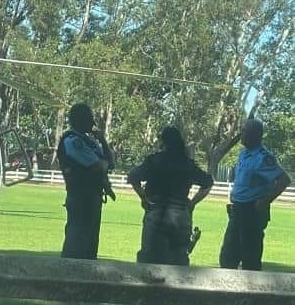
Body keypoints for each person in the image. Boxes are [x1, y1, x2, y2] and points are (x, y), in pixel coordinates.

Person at [128, 126, 213, 266]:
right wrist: (192, 203)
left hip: (157, 213)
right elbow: (208, 183)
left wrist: (144, 198)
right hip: (181, 216)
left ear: (163, 142)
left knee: (149, 263)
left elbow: (133, 177)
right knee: (179, 263)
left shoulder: (154, 161)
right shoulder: (187, 163)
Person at [219, 119, 291, 271]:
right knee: (228, 256)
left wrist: (266, 200)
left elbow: (284, 180)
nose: (241, 134)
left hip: (252, 211)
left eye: (244, 131)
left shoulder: (263, 158)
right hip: (237, 210)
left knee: (250, 258)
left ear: (255, 135)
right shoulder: (243, 154)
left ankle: (251, 293)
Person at [57, 103, 115, 260]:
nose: (92, 124)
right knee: (76, 243)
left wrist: (103, 141)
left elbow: (110, 163)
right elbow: (99, 166)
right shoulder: (73, 141)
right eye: (89, 120)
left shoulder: (91, 142)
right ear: (80, 120)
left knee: (90, 245)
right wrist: (104, 165)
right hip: (80, 197)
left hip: (92, 198)